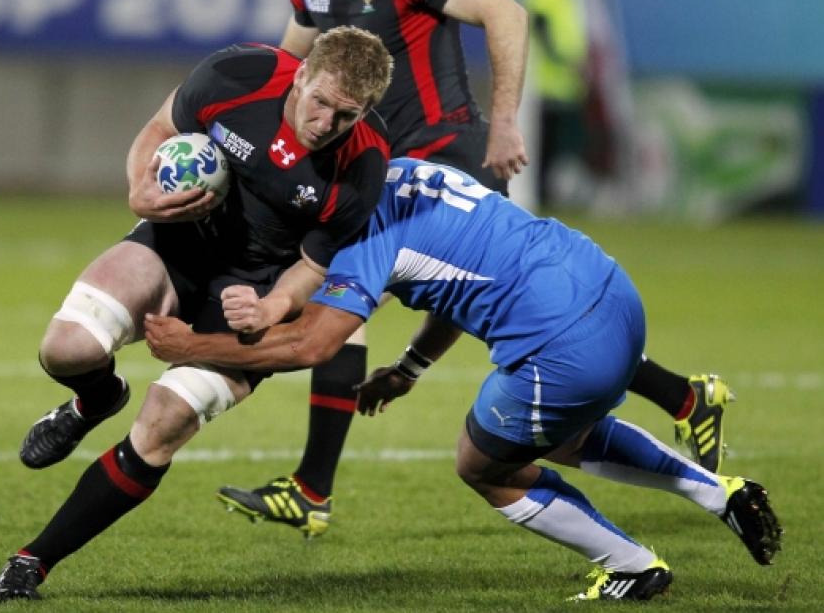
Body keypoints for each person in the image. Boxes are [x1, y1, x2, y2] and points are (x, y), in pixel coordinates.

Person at [143, 158, 782, 601]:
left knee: (482, 463)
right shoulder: (417, 170)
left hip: (562, 345)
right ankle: (720, 493)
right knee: (554, 434)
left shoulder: (363, 232)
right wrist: (410, 369)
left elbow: (314, 345)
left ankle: (632, 568)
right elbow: (454, 284)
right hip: (612, 290)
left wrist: (191, 344)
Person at [216, 0, 733, 539]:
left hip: (442, 155)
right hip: (377, 162)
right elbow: (285, 67)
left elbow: (505, 12)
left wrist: (505, 121)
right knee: (388, 300)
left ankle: (311, 489)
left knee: (341, 300)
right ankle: (683, 396)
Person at [0, 26, 394, 602]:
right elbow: (161, 129)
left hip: (254, 294)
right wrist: (139, 190)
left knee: (163, 425)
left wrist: (271, 307)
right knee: (67, 349)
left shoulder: (364, 166)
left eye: (346, 115)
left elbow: (311, 268)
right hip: (180, 241)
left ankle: (33, 560)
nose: (325, 123)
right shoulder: (238, 76)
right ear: (301, 74)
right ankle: (97, 397)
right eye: (321, 102)